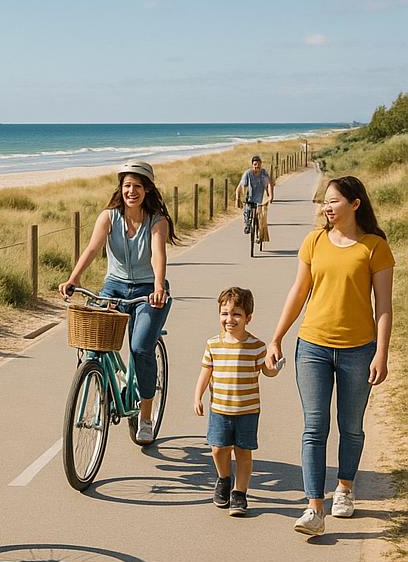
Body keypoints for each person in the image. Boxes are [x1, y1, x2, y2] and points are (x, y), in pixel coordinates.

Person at [267, 177, 394, 537]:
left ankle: (345, 488)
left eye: (334, 201)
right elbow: (299, 291)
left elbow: (383, 306)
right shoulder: (315, 241)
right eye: (324, 201)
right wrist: (277, 337)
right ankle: (313, 508)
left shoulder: (374, 247)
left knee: (350, 427)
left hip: (359, 350)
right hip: (312, 347)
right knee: (314, 426)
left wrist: (381, 353)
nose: (327, 207)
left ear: (355, 204)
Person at [59, 160, 176, 443]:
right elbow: (92, 248)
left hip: (148, 289)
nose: (131, 191)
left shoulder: (156, 221)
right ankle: (98, 378)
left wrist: (159, 286)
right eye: (126, 186)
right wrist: (73, 279)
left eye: (137, 186)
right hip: (114, 285)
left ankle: (145, 418)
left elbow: (157, 255)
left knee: (139, 348)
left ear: (147, 189)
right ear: (120, 189)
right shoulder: (109, 217)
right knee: (94, 342)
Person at [193, 287, 280, 516]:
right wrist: (197, 395)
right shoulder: (213, 344)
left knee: (243, 452)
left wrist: (274, 367)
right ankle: (223, 478)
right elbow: (206, 371)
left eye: (236, 314)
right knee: (218, 449)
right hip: (219, 408)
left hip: (247, 410)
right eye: (224, 313)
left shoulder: (256, 346)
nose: (229, 319)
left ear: (248, 318)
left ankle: (239, 493)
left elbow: (266, 371)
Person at [236, 155, 274, 235]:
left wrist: (270, 196)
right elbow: (240, 186)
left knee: (260, 217)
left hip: (260, 199)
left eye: (259, 164)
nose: (257, 166)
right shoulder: (248, 173)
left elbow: (269, 184)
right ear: (252, 165)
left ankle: (259, 235)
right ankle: (247, 225)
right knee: (247, 211)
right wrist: (238, 197)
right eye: (255, 164)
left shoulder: (263, 173)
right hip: (250, 198)